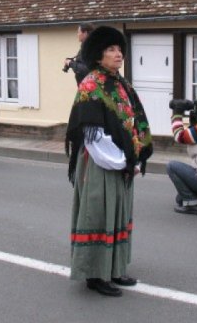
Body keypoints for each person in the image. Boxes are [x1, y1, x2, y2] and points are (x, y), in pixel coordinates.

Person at [65, 26, 153, 297]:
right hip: (100, 162)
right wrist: (123, 161)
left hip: (121, 162)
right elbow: (93, 135)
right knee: (99, 214)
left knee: (118, 214)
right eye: (111, 49)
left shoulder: (120, 83)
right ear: (98, 54)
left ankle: (114, 268)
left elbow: (133, 120)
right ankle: (94, 274)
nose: (118, 54)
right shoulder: (91, 85)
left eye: (119, 49)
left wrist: (135, 157)